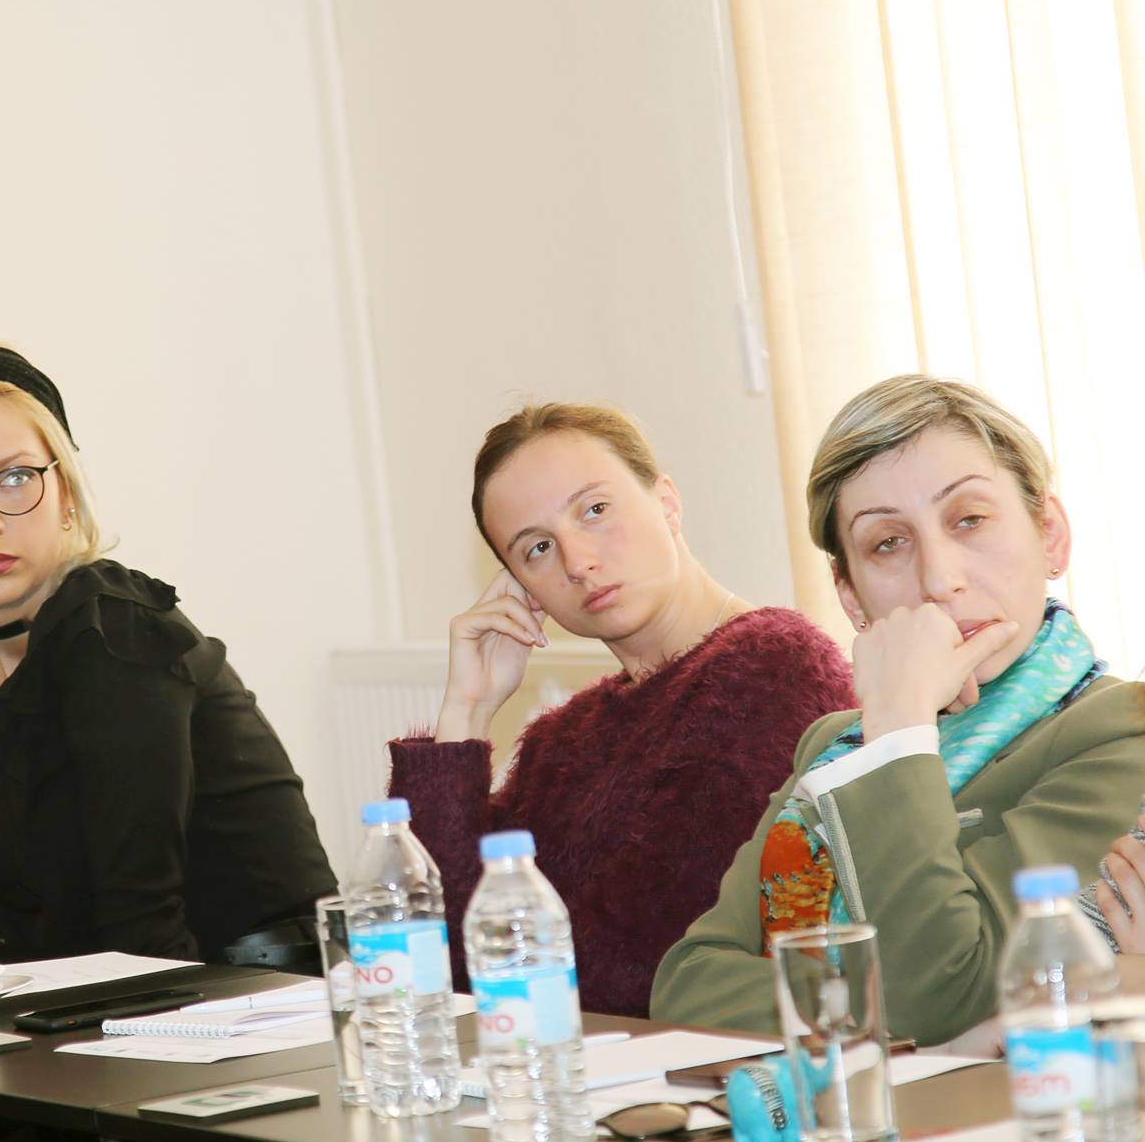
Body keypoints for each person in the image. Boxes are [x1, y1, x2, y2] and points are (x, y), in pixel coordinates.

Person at [653, 376, 1145, 1045]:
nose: (939, 579)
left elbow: (944, 994)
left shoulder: (1120, 730)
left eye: (969, 520)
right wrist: (883, 1004)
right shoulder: (836, 744)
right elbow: (687, 986)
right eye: (888, 542)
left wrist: (899, 736)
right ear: (852, 598)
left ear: (1050, 535)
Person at [0, 341, 336, 967]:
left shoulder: (114, 632)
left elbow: (143, 928)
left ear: (67, 494)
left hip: (253, 988)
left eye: (15, 479)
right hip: (92, 988)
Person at [385, 403, 853, 1017]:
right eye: (537, 548)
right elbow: (427, 947)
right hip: (557, 1053)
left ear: (667, 503)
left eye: (595, 510)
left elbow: (639, 969)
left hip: (710, 1061)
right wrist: (465, 714)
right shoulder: (562, 740)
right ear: (523, 589)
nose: (577, 561)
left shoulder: (773, 669)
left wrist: (497, 965)